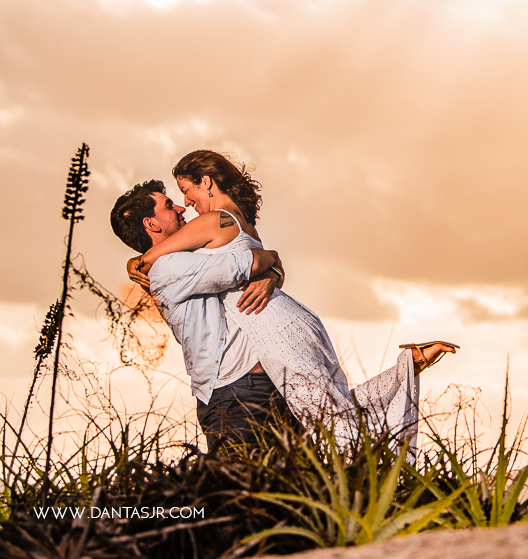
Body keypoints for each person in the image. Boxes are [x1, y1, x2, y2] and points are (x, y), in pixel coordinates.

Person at [125, 150, 458, 450]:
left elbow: (166, 260)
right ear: (150, 222)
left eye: (186, 190)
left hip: (270, 341)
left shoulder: (213, 221)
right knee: (332, 416)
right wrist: (273, 267)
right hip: (280, 336)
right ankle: (408, 366)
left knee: (330, 421)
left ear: (207, 182)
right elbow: (247, 261)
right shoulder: (227, 229)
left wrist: (136, 262)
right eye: (174, 201)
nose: (185, 203)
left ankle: (405, 374)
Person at [110, 180, 295, 451]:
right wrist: (272, 259)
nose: (181, 207)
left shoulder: (188, 256)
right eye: (169, 206)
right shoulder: (168, 266)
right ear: (151, 224)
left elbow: (252, 268)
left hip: (257, 386)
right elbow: (249, 263)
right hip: (238, 394)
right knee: (246, 476)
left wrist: (271, 274)